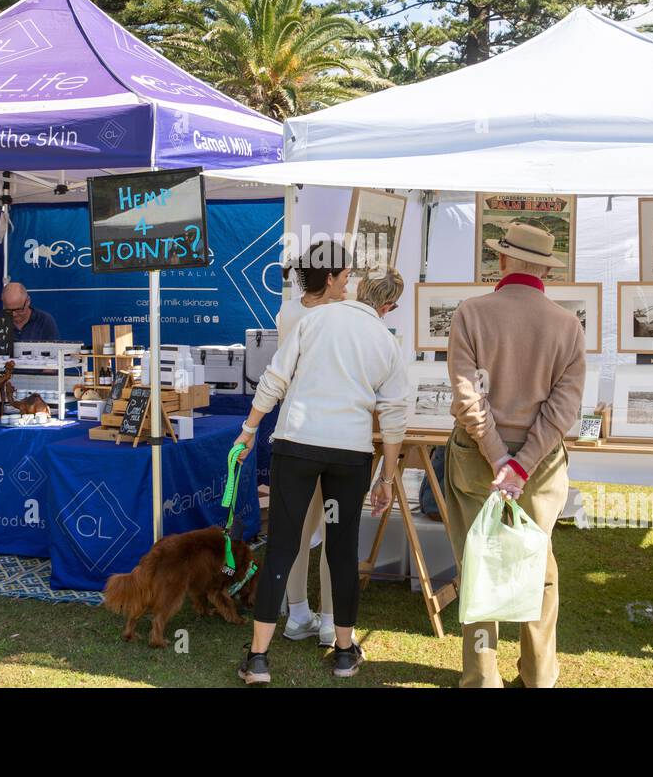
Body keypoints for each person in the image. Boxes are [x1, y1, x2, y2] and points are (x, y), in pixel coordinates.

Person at [232, 266, 408, 684]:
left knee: (283, 545)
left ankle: (258, 659)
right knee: (341, 549)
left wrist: (249, 428)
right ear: (389, 306)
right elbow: (395, 415)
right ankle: (344, 652)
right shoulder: (386, 341)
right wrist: (387, 477)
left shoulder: (315, 319)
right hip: (349, 454)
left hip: (298, 444)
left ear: (357, 289)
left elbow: (275, 378)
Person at [444, 222, 586, 688]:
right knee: (539, 568)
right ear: (546, 268)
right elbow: (563, 409)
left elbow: (469, 401)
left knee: (479, 565)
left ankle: (482, 677)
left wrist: (499, 458)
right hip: (539, 467)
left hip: (475, 461)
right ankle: (539, 675)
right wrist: (520, 464)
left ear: (502, 261)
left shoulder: (471, 313)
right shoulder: (567, 325)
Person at [274, 240, 350, 646]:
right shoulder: (340, 315)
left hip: (293, 431)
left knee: (300, 528)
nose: (349, 282)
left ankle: (299, 613)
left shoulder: (288, 311)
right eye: (346, 275)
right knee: (333, 528)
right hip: (334, 434)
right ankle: (328, 621)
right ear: (332, 277)